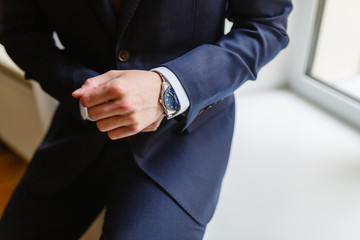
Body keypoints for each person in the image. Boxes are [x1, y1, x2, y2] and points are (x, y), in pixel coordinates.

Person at [0, 0, 292, 239]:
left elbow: (266, 25)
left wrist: (170, 88)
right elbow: (19, 29)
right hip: (80, 131)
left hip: (183, 139)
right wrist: (93, 93)